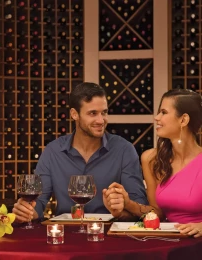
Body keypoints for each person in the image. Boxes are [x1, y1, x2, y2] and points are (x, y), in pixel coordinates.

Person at [12, 82, 147, 223]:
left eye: (104, 113)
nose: (101, 120)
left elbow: (139, 208)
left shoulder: (124, 150)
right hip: (65, 235)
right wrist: (27, 211)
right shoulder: (53, 152)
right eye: (93, 113)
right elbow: (39, 202)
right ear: (74, 114)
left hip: (109, 235)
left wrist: (120, 212)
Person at [103, 89, 202, 238]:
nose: (157, 117)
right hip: (170, 240)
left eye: (163, 112)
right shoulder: (151, 159)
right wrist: (128, 203)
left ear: (183, 120)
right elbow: (157, 213)